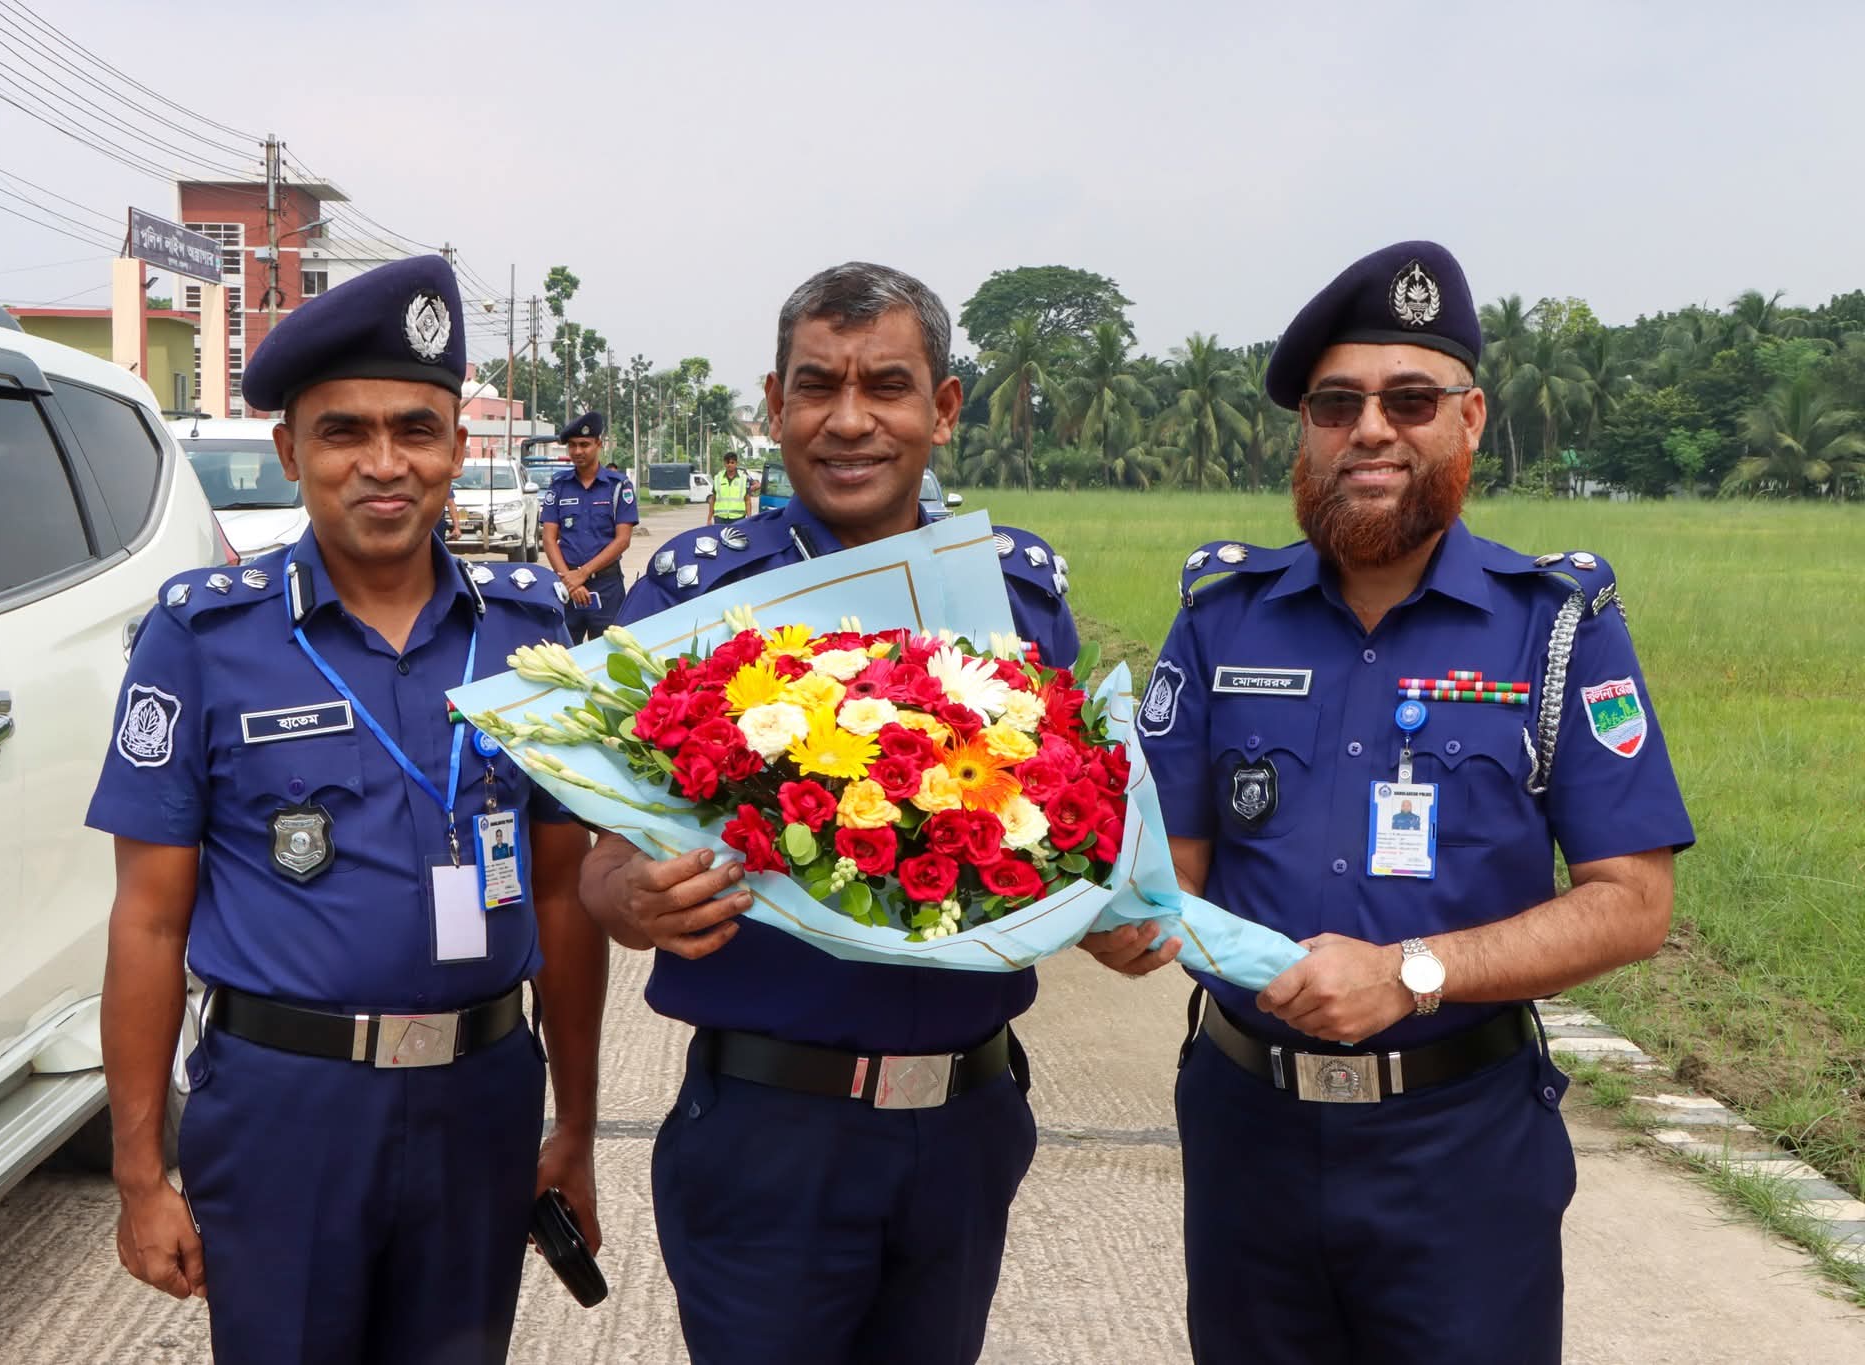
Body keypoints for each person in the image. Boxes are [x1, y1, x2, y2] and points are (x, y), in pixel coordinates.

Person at [1081, 240, 1694, 1363]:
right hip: (1248, 1131)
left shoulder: (1554, 627)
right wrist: (1116, 921)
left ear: (1469, 419)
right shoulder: (1220, 618)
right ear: (1305, 432)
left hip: (1460, 1146)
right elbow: (1168, 873)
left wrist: (1411, 973)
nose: (1370, 429)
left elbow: (1631, 901)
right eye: (1336, 404)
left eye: (1409, 400)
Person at [86, 255, 607, 1365]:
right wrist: (139, 1173)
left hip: (482, 1101)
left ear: (456, 448)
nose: (384, 463)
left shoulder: (529, 640)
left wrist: (574, 1126)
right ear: (291, 452)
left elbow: (563, 898)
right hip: (287, 1110)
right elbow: (147, 920)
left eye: (416, 429)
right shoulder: (204, 636)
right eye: (343, 432)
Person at [582, 261, 1076, 1365]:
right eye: (817, 386)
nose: (849, 421)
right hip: (770, 1132)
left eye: (886, 386)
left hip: (964, 1124)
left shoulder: (1015, 596)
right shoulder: (696, 598)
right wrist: (635, 902)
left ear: (943, 408)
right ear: (774, 404)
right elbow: (600, 866)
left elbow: (1075, 824)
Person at [539, 410, 636, 640]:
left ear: (598, 444)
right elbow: (549, 538)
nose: (577, 451)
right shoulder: (559, 485)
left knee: (608, 653)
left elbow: (623, 540)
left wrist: (582, 574)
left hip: (607, 588)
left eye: (584, 444)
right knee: (563, 655)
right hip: (567, 587)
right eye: (572, 445)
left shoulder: (618, 486)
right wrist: (569, 580)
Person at [707, 449, 751, 523]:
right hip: (720, 517)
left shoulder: (744, 478)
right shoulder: (718, 478)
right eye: (727, 462)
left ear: (736, 463)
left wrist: (749, 519)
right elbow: (713, 499)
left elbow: (747, 500)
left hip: (738, 518)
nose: (729, 465)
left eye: (732, 462)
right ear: (724, 463)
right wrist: (709, 518)